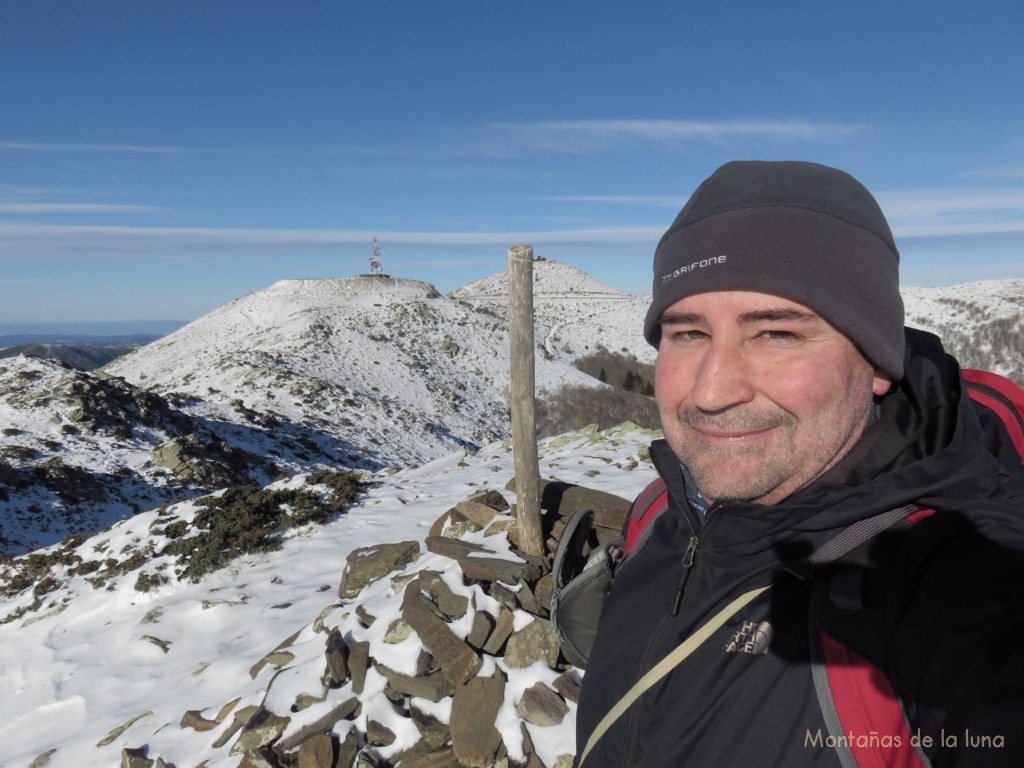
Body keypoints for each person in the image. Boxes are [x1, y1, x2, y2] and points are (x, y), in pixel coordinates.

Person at [572, 160, 1024, 767]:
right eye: (687, 333)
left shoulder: (948, 580)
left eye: (777, 334)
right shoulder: (665, 506)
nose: (711, 392)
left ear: (878, 363)